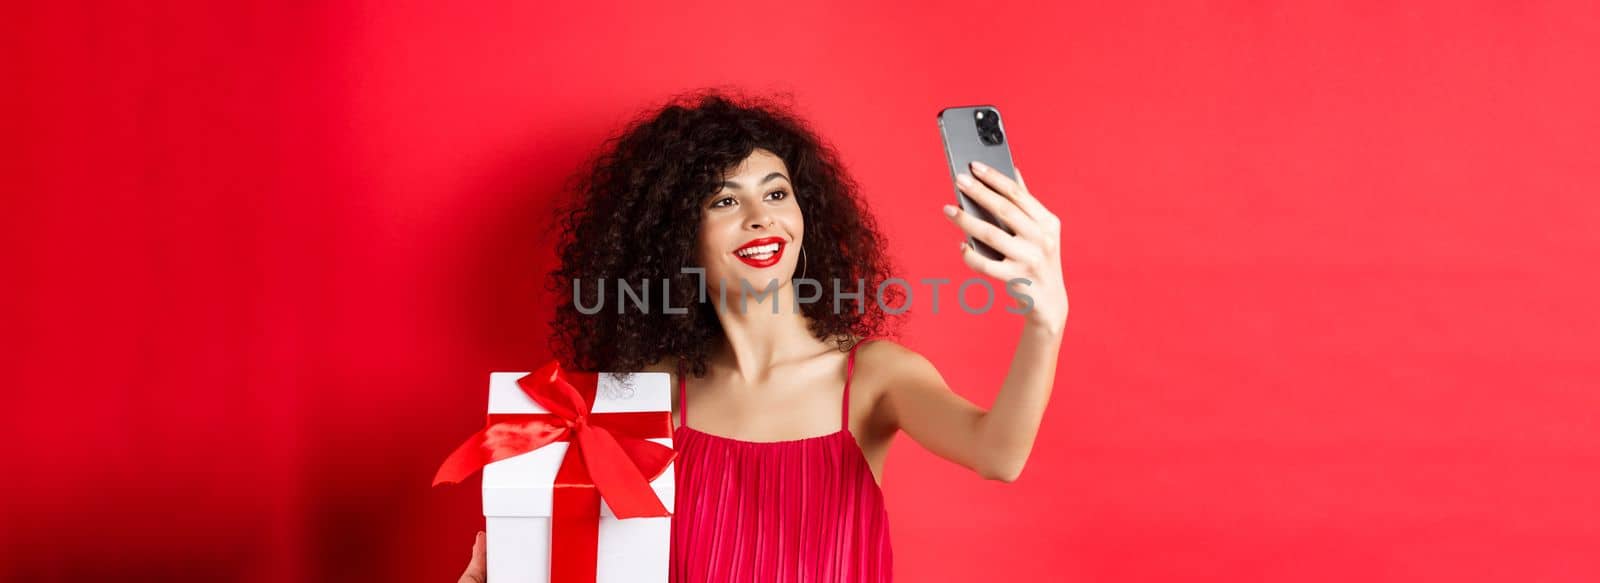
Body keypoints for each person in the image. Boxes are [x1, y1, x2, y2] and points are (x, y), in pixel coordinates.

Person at [457, 90, 1068, 582]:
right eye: (725, 200)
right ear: (675, 234)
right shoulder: (646, 395)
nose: (762, 217)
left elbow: (999, 455)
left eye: (777, 192)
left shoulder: (876, 376)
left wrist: (1046, 321)